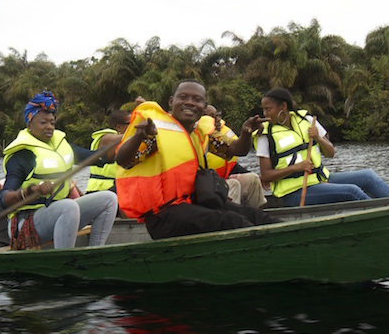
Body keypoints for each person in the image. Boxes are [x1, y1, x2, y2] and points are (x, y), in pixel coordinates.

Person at [115, 80, 276, 240]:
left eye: (197, 100)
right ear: (172, 101)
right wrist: (139, 136)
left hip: (193, 204)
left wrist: (246, 133)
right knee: (233, 222)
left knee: (255, 215)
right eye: (183, 97)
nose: (190, 103)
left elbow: (237, 150)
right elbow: (123, 160)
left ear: (204, 107)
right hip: (164, 216)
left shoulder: (201, 132)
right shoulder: (156, 133)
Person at [0, 91, 118, 250]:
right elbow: (4, 198)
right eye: (43, 123)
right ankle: (64, 258)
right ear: (29, 124)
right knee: (69, 206)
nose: (49, 127)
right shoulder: (22, 155)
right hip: (27, 221)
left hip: (61, 213)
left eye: (52, 123)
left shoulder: (62, 146)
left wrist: (132, 138)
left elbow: (98, 157)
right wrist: (32, 190)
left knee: (109, 199)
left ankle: (95, 252)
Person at [257, 87, 389, 206]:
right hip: (294, 193)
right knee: (352, 191)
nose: (265, 114)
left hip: (321, 179)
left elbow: (330, 152)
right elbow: (266, 175)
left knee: (368, 176)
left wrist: (318, 138)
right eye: (264, 110)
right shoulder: (265, 134)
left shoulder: (306, 120)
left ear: (283, 106)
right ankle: (383, 217)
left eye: (268, 109)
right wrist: (296, 167)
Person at [200, 105, 267, 210]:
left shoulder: (216, 139)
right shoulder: (198, 137)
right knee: (232, 184)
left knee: (252, 178)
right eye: (211, 117)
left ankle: (259, 217)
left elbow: (238, 150)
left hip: (221, 180)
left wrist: (247, 132)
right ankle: (235, 221)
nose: (217, 120)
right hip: (203, 188)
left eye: (218, 115)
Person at [85, 109, 130, 194]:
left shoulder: (128, 142)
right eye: (130, 123)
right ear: (119, 127)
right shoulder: (106, 137)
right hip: (100, 189)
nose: (134, 126)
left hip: (115, 188)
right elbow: (125, 138)